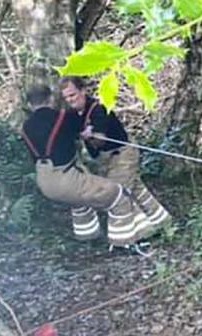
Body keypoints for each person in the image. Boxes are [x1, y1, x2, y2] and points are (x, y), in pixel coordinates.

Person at [20, 85, 145, 247]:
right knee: (118, 194)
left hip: (44, 181)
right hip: (66, 178)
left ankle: (87, 239)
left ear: (29, 105)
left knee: (78, 201)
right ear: (51, 99)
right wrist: (89, 131)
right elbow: (85, 129)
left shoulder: (25, 127)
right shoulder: (62, 117)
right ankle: (125, 243)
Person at [60, 77, 172, 237]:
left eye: (72, 95)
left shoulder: (99, 109)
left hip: (122, 154)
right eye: (66, 98)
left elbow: (100, 141)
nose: (70, 100)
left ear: (83, 91)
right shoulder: (73, 114)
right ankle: (163, 223)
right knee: (135, 189)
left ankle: (141, 234)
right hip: (105, 160)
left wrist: (90, 136)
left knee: (118, 194)